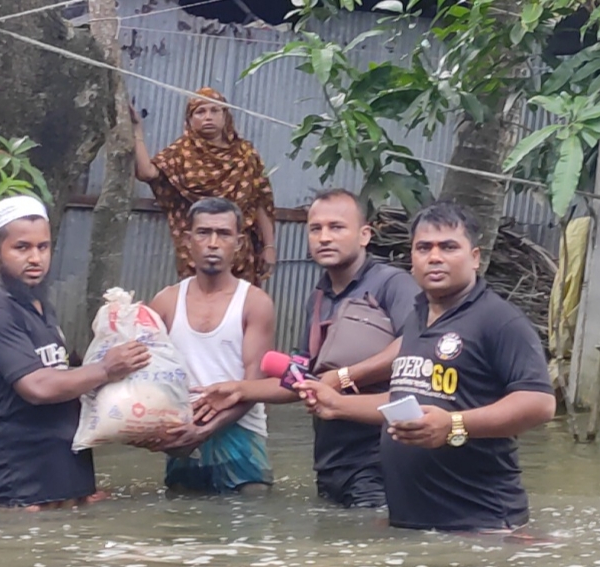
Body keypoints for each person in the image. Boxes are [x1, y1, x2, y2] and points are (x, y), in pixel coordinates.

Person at [297, 200, 556, 531]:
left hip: (479, 523)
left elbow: (540, 403)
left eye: (448, 247)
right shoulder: (419, 315)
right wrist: (338, 405)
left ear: (475, 257)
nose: (435, 257)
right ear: (412, 259)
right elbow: (412, 402)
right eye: (424, 248)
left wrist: (454, 425)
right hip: (415, 522)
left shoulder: (499, 320)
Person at [194, 189, 420, 508]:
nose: (324, 237)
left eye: (336, 227)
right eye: (316, 229)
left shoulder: (392, 284)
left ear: (364, 235)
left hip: (382, 459)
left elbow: (417, 344)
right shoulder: (317, 299)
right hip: (331, 462)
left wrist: (342, 377)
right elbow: (301, 378)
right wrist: (239, 390)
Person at [0, 195, 151, 510]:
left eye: (43, 247)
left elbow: (65, 380)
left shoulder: (39, 305)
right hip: (18, 482)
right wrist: (106, 369)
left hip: (56, 478)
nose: (35, 258)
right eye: (21, 247)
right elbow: (37, 387)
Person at [137, 197, 276, 494]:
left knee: (250, 513)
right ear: (188, 240)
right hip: (182, 433)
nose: (213, 243)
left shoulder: (254, 303)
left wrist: (203, 430)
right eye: (203, 233)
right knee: (181, 526)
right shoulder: (165, 302)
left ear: (238, 243)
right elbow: (144, 376)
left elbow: (254, 385)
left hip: (240, 434)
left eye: (223, 234)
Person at [132, 87, 277, 286]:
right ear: (189, 120)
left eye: (214, 110)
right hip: (196, 252)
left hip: (239, 251)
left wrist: (269, 246)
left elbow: (261, 201)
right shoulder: (181, 152)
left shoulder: (245, 153)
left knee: (240, 306)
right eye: (200, 112)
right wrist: (137, 132)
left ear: (225, 116)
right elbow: (146, 172)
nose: (208, 117)